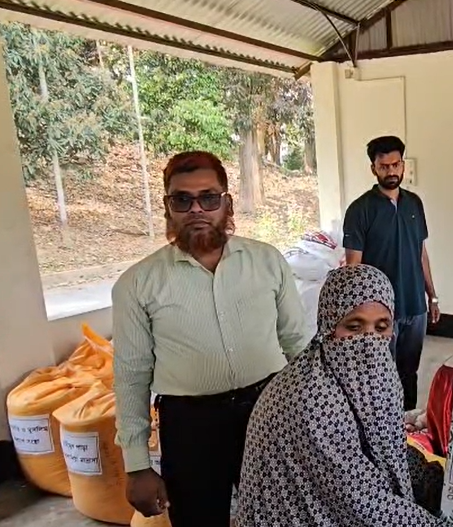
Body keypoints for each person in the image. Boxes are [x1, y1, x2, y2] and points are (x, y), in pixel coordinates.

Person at [112, 151, 309, 527]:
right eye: (182, 200)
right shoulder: (138, 284)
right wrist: (136, 465)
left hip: (268, 411)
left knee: (283, 516)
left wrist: (316, 418)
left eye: (209, 198)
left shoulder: (267, 262)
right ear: (168, 208)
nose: (197, 210)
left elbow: (298, 344)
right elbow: (131, 377)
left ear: (227, 204)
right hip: (190, 426)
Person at [236, 263, 448, 526]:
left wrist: (434, 480)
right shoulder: (311, 398)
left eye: (381, 327)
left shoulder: (378, 374)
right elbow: (364, 504)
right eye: (354, 327)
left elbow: (388, 444)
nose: (369, 341)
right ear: (329, 324)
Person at [343, 135, 440, 411]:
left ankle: (407, 425)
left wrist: (432, 296)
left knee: (409, 372)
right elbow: (353, 268)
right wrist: (358, 314)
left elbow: (421, 253)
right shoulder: (360, 210)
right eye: (384, 166)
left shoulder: (414, 204)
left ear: (403, 165)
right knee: (380, 376)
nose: (391, 171)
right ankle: (380, 425)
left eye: (396, 164)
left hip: (415, 305)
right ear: (373, 169)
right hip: (380, 311)